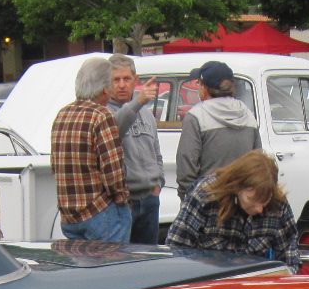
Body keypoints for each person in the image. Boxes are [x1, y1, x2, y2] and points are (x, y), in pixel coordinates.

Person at [164, 150, 300, 271]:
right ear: (237, 186)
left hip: (253, 286)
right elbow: (176, 250)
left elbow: (290, 257)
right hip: (208, 286)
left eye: (264, 202)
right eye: (252, 201)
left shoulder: (278, 204)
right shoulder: (204, 195)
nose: (259, 209)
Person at [50, 57, 130, 242]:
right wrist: (123, 199)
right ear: (105, 88)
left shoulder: (62, 115)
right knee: (111, 268)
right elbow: (113, 173)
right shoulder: (102, 115)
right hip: (100, 213)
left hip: (69, 215)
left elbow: (55, 165)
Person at [176, 60, 260, 200]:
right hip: (242, 200)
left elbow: (186, 164)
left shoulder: (196, 116)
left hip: (208, 200)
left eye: (199, 84)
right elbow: (258, 160)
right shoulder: (248, 115)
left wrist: (187, 196)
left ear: (204, 88)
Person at [108, 54, 164, 245]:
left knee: (148, 260)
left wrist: (158, 183)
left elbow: (156, 152)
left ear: (136, 81)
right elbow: (116, 127)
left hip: (150, 198)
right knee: (122, 261)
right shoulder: (104, 112)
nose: (122, 85)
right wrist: (138, 102)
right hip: (124, 202)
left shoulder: (147, 115)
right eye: (116, 80)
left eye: (127, 79)